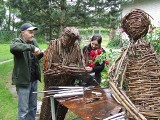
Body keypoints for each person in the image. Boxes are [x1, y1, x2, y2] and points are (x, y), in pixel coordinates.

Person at [10, 23, 44, 120]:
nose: (32, 35)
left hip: (33, 80)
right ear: (22, 33)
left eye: (33, 32)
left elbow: (38, 56)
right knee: (23, 110)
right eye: (30, 32)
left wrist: (41, 53)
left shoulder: (33, 41)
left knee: (33, 107)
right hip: (23, 81)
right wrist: (32, 48)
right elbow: (14, 47)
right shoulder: (16, 41)